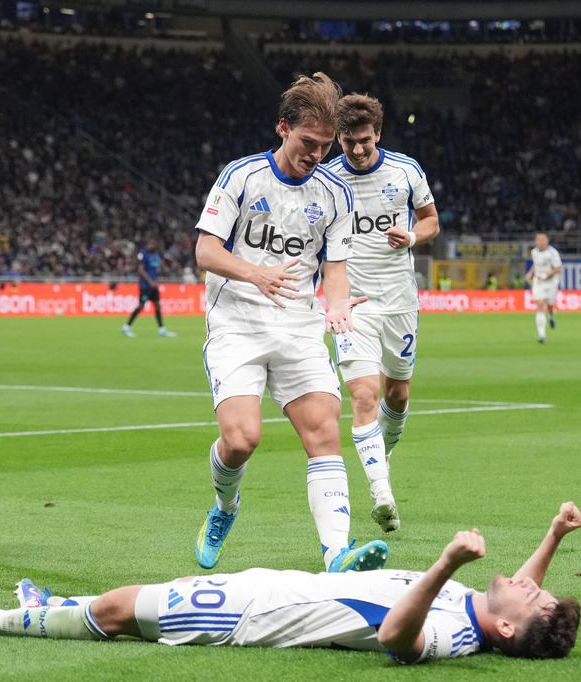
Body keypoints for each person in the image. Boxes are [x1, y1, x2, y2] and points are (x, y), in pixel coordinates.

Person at [0, 502, 581, 664]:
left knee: (120, 609)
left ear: (505, 628)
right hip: (280, 586)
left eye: (534, 599)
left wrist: (445, 564)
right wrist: (553, 535)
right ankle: (54, 606)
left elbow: (395, 638)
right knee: (143, 593)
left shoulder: (452, 629)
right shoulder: (485, 612)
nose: (529, 586)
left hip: (254, 617)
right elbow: (523, 596)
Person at [192, 72, 387, 574]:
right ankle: (224, 509)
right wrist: (255, 273)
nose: (315, 155)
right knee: (240, 441)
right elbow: (206, 250)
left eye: (324, 147)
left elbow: (335, 270)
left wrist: (338, 305)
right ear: (283, 128)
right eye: (307, 143)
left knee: (324, 432)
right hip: (236, 324)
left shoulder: (335, 195)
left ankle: (336, 554)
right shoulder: (241, 176)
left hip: (299, 327)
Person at [324, 94, 440, 534]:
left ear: (379, 134)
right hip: (352, 303)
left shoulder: (406, 171)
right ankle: (381, 492)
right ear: (338, 137)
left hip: (400, 301)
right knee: (364, 396)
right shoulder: (325, 178)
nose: (356, 150)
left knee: (399, 395)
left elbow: (431, 220)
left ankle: (382, 460)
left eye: (365, 141)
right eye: (349, 141)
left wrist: (411, 236)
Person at [121, 235, 176, 338]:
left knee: (157, 305)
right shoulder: (143, 253)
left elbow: (156, 268)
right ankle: (126, 327)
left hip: (153, 285)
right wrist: (151, 282)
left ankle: (162, 329)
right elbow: (141, 269)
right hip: (146, 286)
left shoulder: (156, 254)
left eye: (154, 243)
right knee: (141, 306)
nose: (152, 245)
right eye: (150, 243)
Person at [525, 233, 562, 343]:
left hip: (551, 282)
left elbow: (558, 268)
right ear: (536, 241)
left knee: (550, 306)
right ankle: (542, 335)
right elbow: (536, 264)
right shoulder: (534, 252)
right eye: (539, 240)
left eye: (543, 239)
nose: (541, 242)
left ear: (547, 241)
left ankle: (551, 316)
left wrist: (546, 275)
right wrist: (530, 273)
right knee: (540, 305)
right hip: (539, 282)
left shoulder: (552, 253)